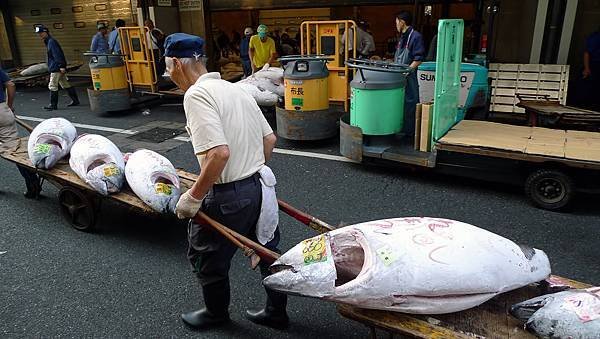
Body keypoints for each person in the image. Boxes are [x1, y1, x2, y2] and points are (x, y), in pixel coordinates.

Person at [165, 33, 288, 330]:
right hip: (260, 187)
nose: (169, 75)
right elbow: (269, 138)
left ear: (177, 63)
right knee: (267, 250)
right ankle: (276, 312)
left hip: (226, 196)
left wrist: (193, 198)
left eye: (168, 68)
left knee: (206, 256)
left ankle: (216, 313)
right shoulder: (236, 90)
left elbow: (219, 153)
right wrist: (248, 171)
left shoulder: (196, 95)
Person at [0, 68, 41, 198]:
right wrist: (9, 106)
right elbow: (10, 84)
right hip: (1, 111)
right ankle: (32, 183)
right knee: (15, 151)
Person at [394, 11, 425, 137]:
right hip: (398, 76)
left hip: (409, 77)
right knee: (399, 103)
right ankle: (400, 129)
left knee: (410, 103)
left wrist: (407, 71)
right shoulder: (402, 37)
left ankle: (409, 134)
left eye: (396, 22)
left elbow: (418, 59)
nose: (395, 25)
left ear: (402, 22)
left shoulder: (415, 36)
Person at [35, 25, 79, 111]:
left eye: (40, 33)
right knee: (65, 84)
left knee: (52, 86)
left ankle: (53, 105)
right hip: (57, 66)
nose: (39, 35)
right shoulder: (49, 41)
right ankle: (75, 100)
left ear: (45, 32)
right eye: (38, 33)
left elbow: (57, 54)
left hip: (56, 67)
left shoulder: (51, 42)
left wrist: (61, 66)